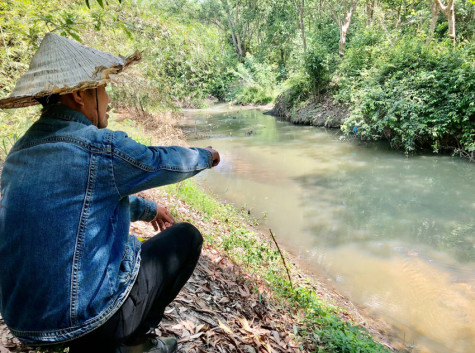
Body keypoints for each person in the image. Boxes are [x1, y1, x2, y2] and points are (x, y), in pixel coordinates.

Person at [0, 33, 220, 353]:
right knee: (186, 238)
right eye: (103, 87)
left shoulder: (19, 153)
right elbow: (160, 161)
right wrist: (207, 156)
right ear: (78, 94)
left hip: (24, 322)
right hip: (80, 321)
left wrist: (148, 209)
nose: (108, 99)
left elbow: (79, 205)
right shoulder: (101, 147)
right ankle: (134, 342)